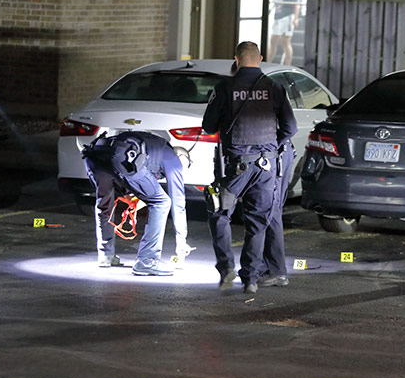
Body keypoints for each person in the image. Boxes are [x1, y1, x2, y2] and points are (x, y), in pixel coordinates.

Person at [202, 41, 297, 293]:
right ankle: (251, 279)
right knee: (258, 223)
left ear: (236, 59)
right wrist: (270, 146)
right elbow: (291, 128)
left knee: (219, 214)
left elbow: (208, 126)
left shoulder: (224, 88)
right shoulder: (274, 87)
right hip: (266, 168)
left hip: (237, 168)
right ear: (261, 58)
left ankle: (226, 268)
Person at [82, 131, 192, 276]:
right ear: (182, 157)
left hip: (95, 155)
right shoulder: (173, 158)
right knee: (162, 202)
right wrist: (181, 241)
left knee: (104, 202)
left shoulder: (154, 148)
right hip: (122, 156)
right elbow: (178, 202)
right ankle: (147, 260)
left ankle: (106, 255)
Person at [259, 141, 295, 287]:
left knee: (270, 210)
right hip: (274, 152)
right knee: (271, 210)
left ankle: (275, 271)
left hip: (273, 154)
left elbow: (289, 126)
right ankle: (270, 268)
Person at [267, 0, 301, 65]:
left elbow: (297, 5)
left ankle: (287, 64)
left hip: (287, 17)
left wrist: (295, 18)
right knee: (273, 41)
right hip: (278, 17)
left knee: (285, 42)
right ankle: (267, 62)